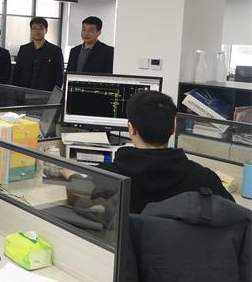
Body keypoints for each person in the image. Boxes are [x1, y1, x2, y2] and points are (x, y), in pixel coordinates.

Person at [62, 91, 235, 214]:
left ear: (131, 129)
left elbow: (79, 197)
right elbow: (233, 213)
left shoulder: (111, 177)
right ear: (174, 128)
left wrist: (72, 176)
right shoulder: (204, 179)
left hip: (127, 255)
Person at [11, 17, 64, 91]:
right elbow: (16, 73)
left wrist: (53, 95)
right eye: (34, 28)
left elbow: (59, 77)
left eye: (41, 28)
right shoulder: (24, 49)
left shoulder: (55, 51)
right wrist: (16, 91)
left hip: (45, 94)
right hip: (23, 92)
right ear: (31, 30)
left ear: (46, 30)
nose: (37, 31)